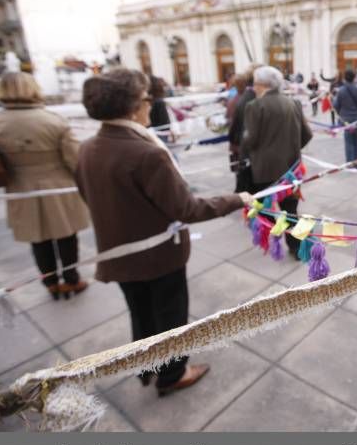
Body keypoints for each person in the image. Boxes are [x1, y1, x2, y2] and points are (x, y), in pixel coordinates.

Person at [76, 68, 254, 395]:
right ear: (132, 106)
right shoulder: (147, 152)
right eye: (146, 99)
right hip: (158, 256)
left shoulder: (88, 147)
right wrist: (236, 199)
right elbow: (186, 208)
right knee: (170, 318)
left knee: (141, 314)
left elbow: (88, 194)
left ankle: (145, 367)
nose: (150, 104)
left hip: (119, 251)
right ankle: (172, 375)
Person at [0, 72, 90, 300]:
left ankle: (51, 282)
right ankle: (71, 278)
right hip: (58, 184)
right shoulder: (52, 120)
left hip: (19, 185)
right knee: (67, 236)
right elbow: (75, 159)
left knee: (38, 240)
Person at [240, 66, 313, 256]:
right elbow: (307, 134)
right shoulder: (293, 103)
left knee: (268, 210)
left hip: (266, 170)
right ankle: (298, 248)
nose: (254, 88)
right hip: (291, 170)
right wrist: (292, 149)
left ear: (262, 85)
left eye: (255, 84)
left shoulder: (255, 106)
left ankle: (274, 243)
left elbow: (251, 139)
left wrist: (245, 142)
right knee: (291, 211)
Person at [228, 64, 262, 191]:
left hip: (243, 150)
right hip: (251, 154)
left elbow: (233, 130)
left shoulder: (242, 99)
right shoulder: (252, 100)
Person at [333, 69, 357, 168]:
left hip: (346, 121)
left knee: (349, 142)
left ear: (345, 78)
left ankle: (350, 164)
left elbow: (336, 106)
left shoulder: (341, 91)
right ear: (354, 77)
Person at [148, 75, 175, 144]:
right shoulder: (159, 102)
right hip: (160, 134)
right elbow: (165, 121)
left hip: (152, 133)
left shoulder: (149, 101)